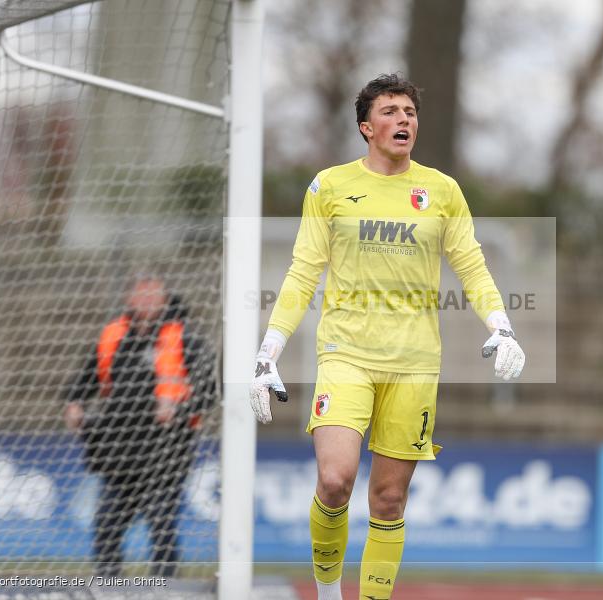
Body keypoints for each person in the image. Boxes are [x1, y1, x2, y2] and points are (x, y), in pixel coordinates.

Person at [249, 74, 525, 600]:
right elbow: (303, 271)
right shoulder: (328, 186)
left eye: (410, 112)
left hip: (415, 364)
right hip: (344, 354)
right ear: (366, 127)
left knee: (389, 500)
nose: (404, 119)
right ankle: (328, 594)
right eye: (391, 111)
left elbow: (471, 265)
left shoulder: (441, 190)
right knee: (334, 481)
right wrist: (268, 354)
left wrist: (501, 324)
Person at [64, 276, 216, 578]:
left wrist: (178, 408)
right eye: (140, 294)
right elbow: (86, 377)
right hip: (122, 451)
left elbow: (210, 390)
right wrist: (75, 403)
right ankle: (108, 587)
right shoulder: (113, 336)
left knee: (161, 522)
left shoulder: (185, 338)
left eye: (153, 294)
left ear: (165, 298)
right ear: (129, 298)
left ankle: (164, 588)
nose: (146, 301)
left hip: (167, 449)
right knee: (107, 524)